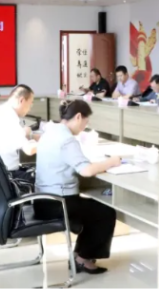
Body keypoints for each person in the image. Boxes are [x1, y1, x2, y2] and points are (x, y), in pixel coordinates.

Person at [34, 100, 120, 275]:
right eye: (85, 123)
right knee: (104, 211)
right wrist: (111, 162)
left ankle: (80, 255)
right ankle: (82, 259)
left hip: (42, 200)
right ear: (78, 117)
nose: (84, 127)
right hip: (59, 202)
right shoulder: (67, 140)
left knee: (92, 208)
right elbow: (86, 171)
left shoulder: (50, 132)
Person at [0, 84, 38, 179]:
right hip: (8, 176)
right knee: (46, 177)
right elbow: (29, 150)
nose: (30, 108)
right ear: (21, 100)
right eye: (30, 103)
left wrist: (30, 135)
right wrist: (49, 142)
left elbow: (11, 136)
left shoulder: (1, 110)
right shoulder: (9, 117)